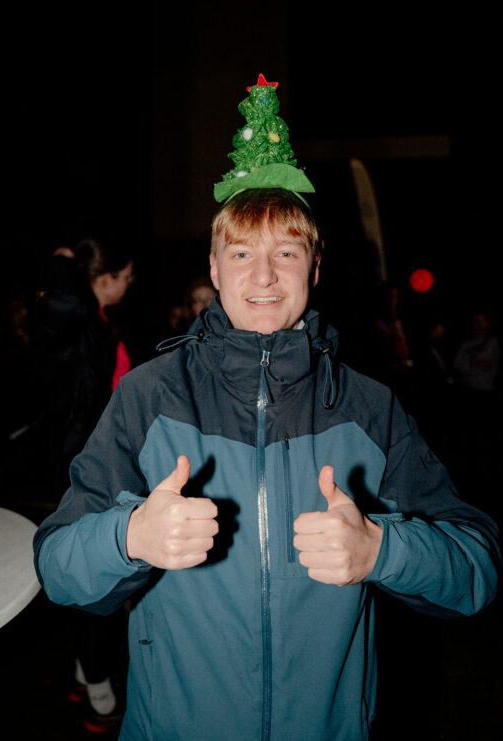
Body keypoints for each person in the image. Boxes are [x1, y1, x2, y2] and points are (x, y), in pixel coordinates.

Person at [33, 76, 500, 740]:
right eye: (241, 253)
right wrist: (129, 537)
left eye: (286, 252)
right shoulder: (149, 395)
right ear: (213, 270)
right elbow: (56, 566)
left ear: (314, 269)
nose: (262, 276)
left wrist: (383, 549)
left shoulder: (369, 407)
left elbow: (477, 568)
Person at [34, 236, 135, 733]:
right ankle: (97, 687)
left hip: (106, 464)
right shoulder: (74, 322)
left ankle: (83, 671)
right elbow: (60, 304)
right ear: (103, 278)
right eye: (125, 276)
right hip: (86, 468)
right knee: (102, 577)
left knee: (101, 569)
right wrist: (64, 264)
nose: (130, 284)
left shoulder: (97, 323)